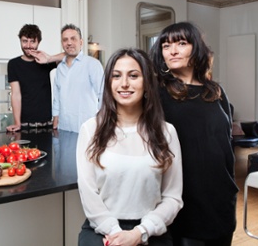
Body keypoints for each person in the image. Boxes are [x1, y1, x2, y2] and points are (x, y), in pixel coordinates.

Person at [77, 48, 183, 246]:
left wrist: (140, 233)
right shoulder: (90, 129)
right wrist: (117, 234)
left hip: (151, 230)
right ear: (109, 82)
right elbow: (88, 193)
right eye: (116, 76)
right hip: (102, 230)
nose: (124, 83)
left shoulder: (167, 132)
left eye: (133, 76)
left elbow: (173, 197)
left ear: (147, 83)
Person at [150, 22, 236, 246]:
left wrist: (230, 187)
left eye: (181, 43)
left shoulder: (216, 91)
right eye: (166, 45)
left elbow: (226, 143)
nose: (173, 50)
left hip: (221, 200)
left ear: (195, 48)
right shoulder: (157, 94)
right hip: (185, 204)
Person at [6, 24, 60, 132]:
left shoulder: (45, 61)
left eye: (32, 41)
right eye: (25, 41)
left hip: (47, 124)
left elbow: (69, 55)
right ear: (20, 41)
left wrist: (49, 58)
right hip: (24, 125)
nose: (28, 45)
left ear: (38, 42)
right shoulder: (13, 64)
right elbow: (16, 94)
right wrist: (17, 123)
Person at [52, 24, 104, 132]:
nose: (69, 42)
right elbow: (57, 96)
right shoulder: (60, 68)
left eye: (73, 39)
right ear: (62, 44)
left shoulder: (93, 64)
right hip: (64, 128)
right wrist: (55, 116)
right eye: (65, 40)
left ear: (81, 42)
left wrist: (102, 120)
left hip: (87, 129)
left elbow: (103, 94)